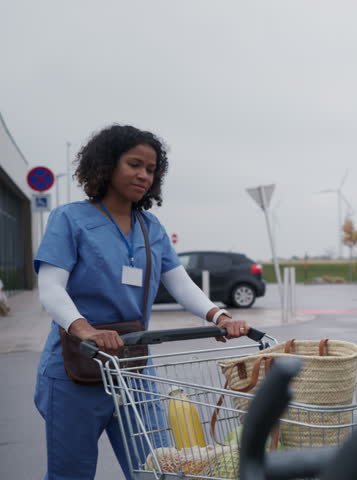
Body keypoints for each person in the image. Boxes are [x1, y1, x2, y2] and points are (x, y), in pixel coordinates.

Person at [34, 124, 251, 480]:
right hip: (77, 366)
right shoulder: (69, 219)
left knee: (156, 469)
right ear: (107, 165)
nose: (143, 175)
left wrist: (220, 315)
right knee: (69, 473)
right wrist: (85, 328)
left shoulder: (151, 227)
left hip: (134, 365)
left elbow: (180, 283)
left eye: (151, 169)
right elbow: (51, 288)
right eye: (134, 164)